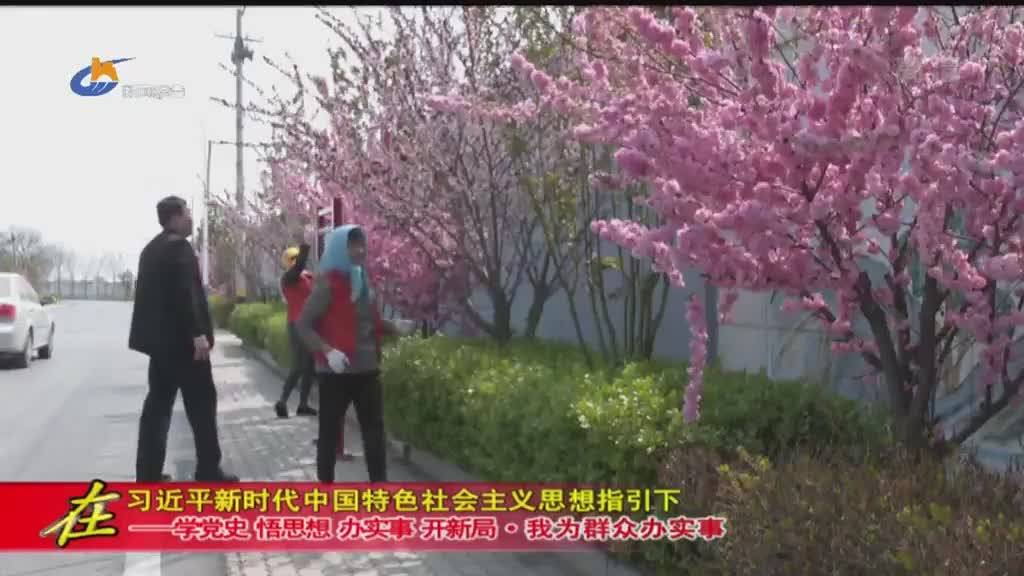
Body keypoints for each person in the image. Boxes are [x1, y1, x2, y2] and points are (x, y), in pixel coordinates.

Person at [129, 196, 238, 483]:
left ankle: (148, 474)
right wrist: (198, 333)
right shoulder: (179, 247)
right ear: (176, 217)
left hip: (160, 348)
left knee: (157, 408)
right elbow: (185, 294)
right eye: (188, 213)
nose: (191, 218)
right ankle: (208, 470)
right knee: (202, 407)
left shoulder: (151, 249)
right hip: (187, 347)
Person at [295, 225, 410, 483]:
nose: (359, 250)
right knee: (329, 433)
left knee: (374, 433)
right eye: (352, 245)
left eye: (361, 244)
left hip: (367, 370)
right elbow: (303, 325)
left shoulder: (362, 279)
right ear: (339, 249)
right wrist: (327, 350)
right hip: (336, 372)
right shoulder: (327, 284)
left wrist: (394, 327)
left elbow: (368, 322)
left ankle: (379, 488)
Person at [275, 243, 318, 419]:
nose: (296, 261)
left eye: (296, 257)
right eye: (293, 258)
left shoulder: (308, 276)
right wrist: (305, 249)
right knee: (298, 365)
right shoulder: (288, 278)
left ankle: (303, 404)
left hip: (311, 325)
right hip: (297, 325)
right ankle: (282, 402)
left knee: (309, 367)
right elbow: (299, 265)